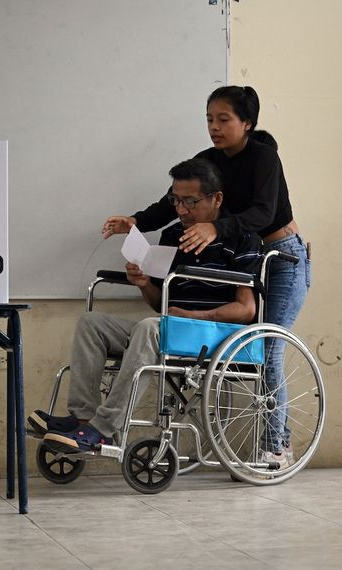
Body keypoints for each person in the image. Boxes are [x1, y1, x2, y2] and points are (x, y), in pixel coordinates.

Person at [102, 86, 309, 468]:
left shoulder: (264, 158)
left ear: (247, 122)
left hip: (282, 257)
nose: (214, 127)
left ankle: (277, 445)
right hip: (245, 250)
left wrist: (217, 229)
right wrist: (135, 222)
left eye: (224, 119)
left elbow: (264, 214)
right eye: (209, 119)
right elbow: (172, 201)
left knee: (268, 347)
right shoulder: (207, 161)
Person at [28, 158, 262, 452]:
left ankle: (104, 430)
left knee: (151, 328)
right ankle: (83, 419)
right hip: (168, 328)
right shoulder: (172, 235)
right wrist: (145, 284)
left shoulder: (242, 238)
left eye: (190, 201)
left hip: (209, 334)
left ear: (216, 199)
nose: (181, 210)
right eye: (176, 201)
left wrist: (191, 315)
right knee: (92, 325)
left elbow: (246, 310)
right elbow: (157, 303)